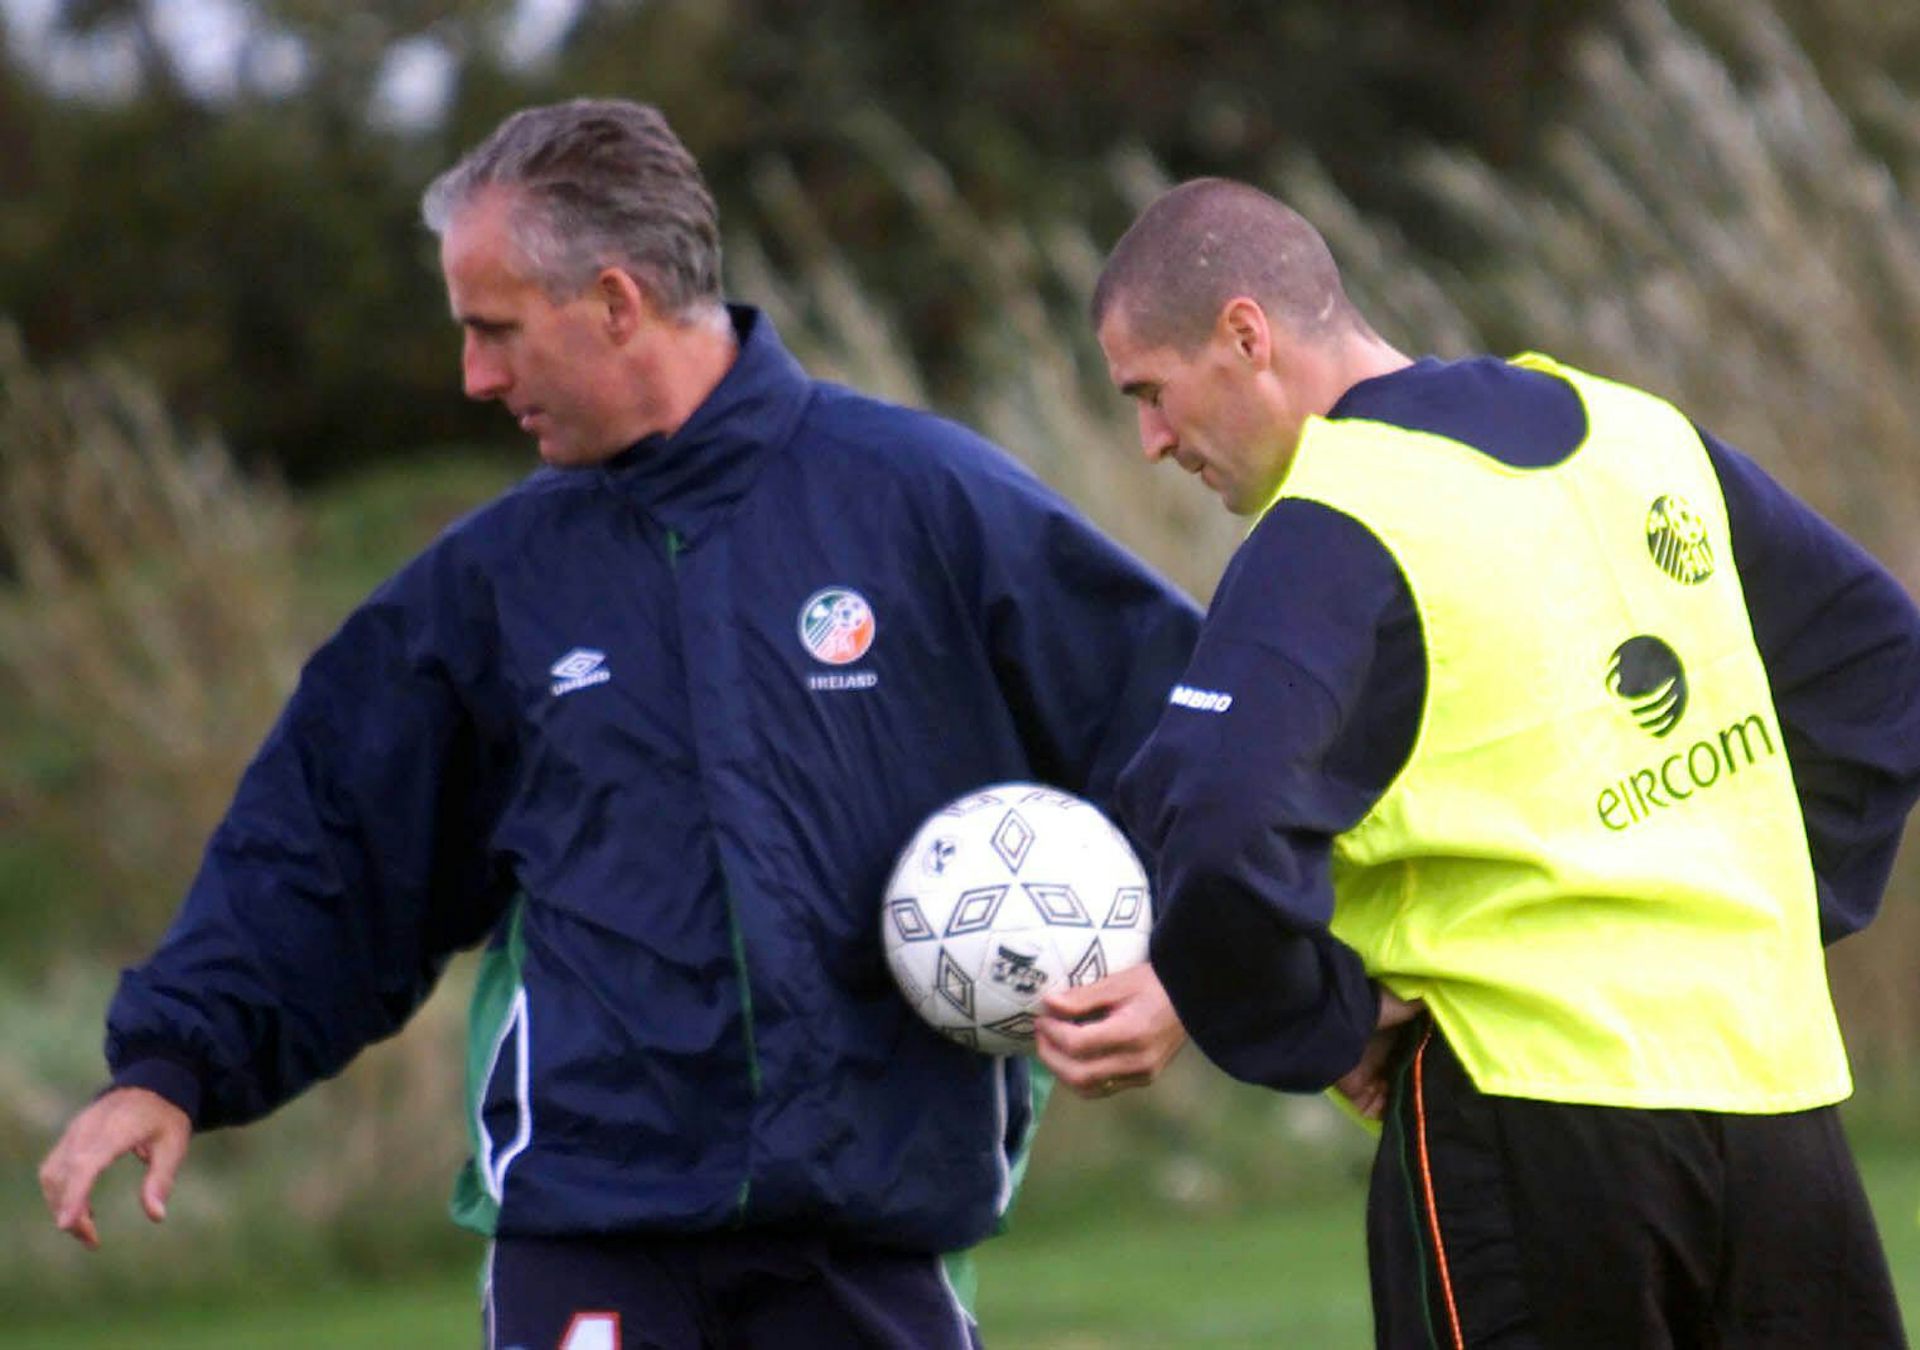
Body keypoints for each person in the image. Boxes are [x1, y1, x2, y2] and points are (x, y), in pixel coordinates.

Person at [38, 99, 1200, 1350]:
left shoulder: (927, 503)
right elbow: (328, 846)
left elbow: (1200, 747)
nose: (474, 377)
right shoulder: (486, 589)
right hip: (590, 1226)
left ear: (613, 299)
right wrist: (175, 1062)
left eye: (494, 331)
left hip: (870, 1229)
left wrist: (1194, 976)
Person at [1089, 177, 1920, 1348]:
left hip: (1530, 1132)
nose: (1153, 440)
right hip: (1778, 1115)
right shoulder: (1635, 433)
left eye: (1151, 393)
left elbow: (1215, 820)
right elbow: (1881, 662)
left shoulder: (1331, 524)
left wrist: (1325, 1024)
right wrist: (1765, 911)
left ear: (1244, 334)